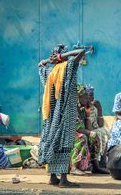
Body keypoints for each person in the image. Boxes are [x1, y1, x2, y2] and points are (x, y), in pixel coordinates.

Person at [38, 44, 85, 188]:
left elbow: (40, 64)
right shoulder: (68, 67)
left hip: (50, 118)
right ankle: (63, 179)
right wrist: (61, 57)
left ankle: (53, 177)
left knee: (53, 142)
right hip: (65, 115)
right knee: (65, 144)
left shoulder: (48, 72)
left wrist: (49, 60)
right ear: (62, 56)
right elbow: (82, 52)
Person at [70, 84, 110, 176]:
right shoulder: (72, 109)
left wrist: (87, 114)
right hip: (70, 133)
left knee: (92, 137)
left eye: (88, 98)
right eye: (85, 98)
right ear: (78, 98)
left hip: (78, 132)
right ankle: (74, 167)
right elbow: (78, 128)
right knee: (83, 138)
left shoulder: (82, 109)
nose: (88, 100)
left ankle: (95, 167)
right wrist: (91, 133)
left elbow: (88, 129)